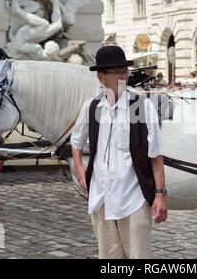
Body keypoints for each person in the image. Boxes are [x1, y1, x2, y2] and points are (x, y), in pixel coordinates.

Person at [71, 45, 167, 259]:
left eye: (125, 71)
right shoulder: (92, 107)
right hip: (101, 199)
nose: (124, 76)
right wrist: (79, 167)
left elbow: (156, 156)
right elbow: (76, 141)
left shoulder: (142, 107)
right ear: (100, 76)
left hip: (133, 199)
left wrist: (160, 195)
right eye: (118, 72)